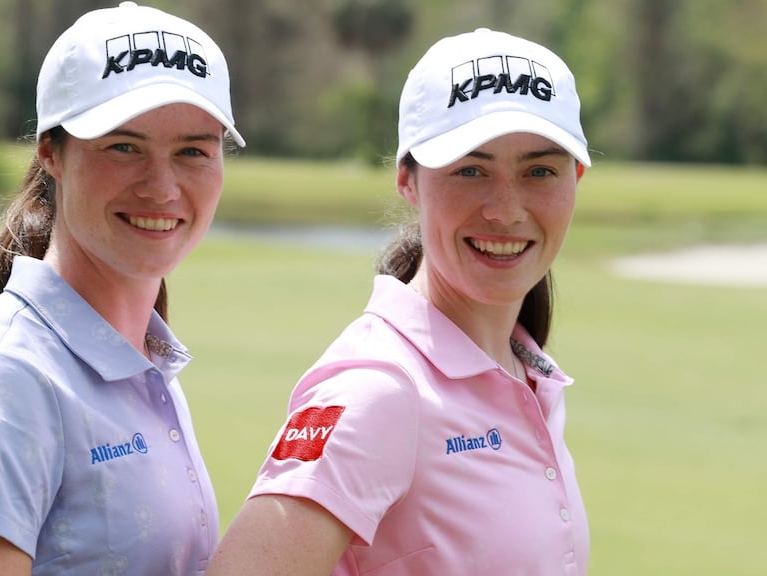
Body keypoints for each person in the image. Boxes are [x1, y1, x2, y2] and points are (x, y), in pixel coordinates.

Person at [206, 28, 592, 575]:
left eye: (539, 171)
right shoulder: (380, 390)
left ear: (575, 178)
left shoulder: (525, 369)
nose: (506, 210)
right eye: (470, 170)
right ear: (408, 181)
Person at [0, 3, 245, 575]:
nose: (162, 188)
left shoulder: (145, 360)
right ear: (50, 152)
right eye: (123, 147)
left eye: (192, 151)